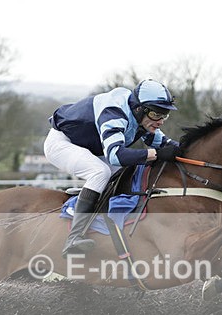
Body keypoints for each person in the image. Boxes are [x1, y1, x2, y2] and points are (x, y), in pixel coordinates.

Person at [44, 79, 183, 257]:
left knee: (125, 175)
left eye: (165, 115)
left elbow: (166, 144)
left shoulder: (142, 118)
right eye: (157, 114)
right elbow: (116, 156)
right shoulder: (114, 112)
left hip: (92, 147)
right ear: (140, 109)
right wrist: (155, 154)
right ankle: (74, 238)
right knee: (100, 172)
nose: (161, 121)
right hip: (62, 143)